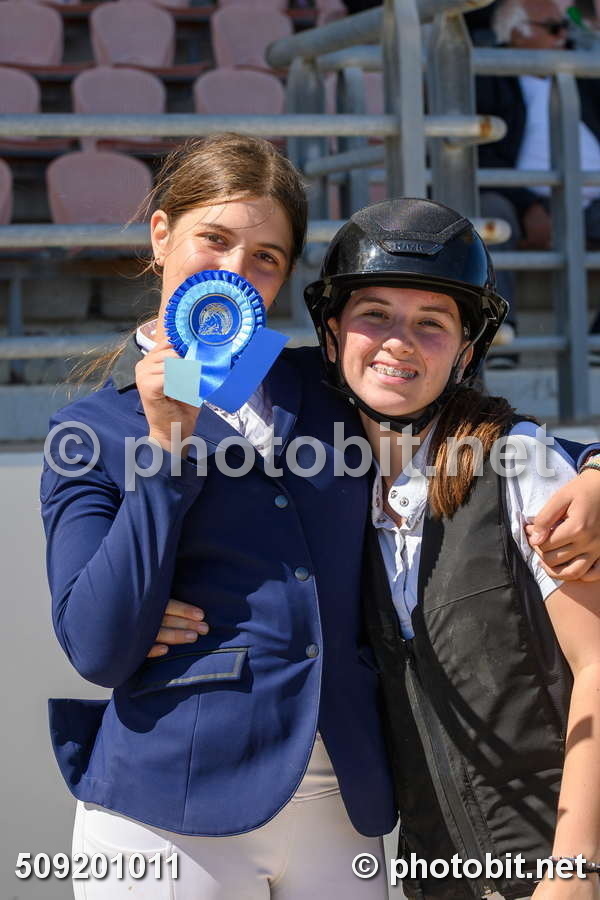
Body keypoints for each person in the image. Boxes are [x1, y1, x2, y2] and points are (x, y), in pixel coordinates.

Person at [42, 137, 600, 899]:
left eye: (266, 256)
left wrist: (597, 468)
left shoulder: (330, 380)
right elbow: (99, 646)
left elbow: (497, 436)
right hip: (174, 796)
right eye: (214, 239)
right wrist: (166, 454)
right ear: (161, 234)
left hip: (344, 802)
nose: (236, 271)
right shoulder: (89, 434)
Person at [303, 196, 600, 899]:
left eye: (431, 322)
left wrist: (575, 867)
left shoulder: (518, 463)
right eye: (375, 314)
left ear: (466, 350)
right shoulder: (334, 493)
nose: (398, 342)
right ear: (333, 335)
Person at [476, 0, 600, 365]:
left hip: (590, 199)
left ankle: (597, 343)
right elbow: (478, 154)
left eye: (566, 28)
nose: (565, 37)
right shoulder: (486, 75)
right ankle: (501, 344)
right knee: (490, 213)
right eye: (554, 28)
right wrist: (528, 204)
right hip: (520, 198)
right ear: (517, 33)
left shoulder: (582, 75)